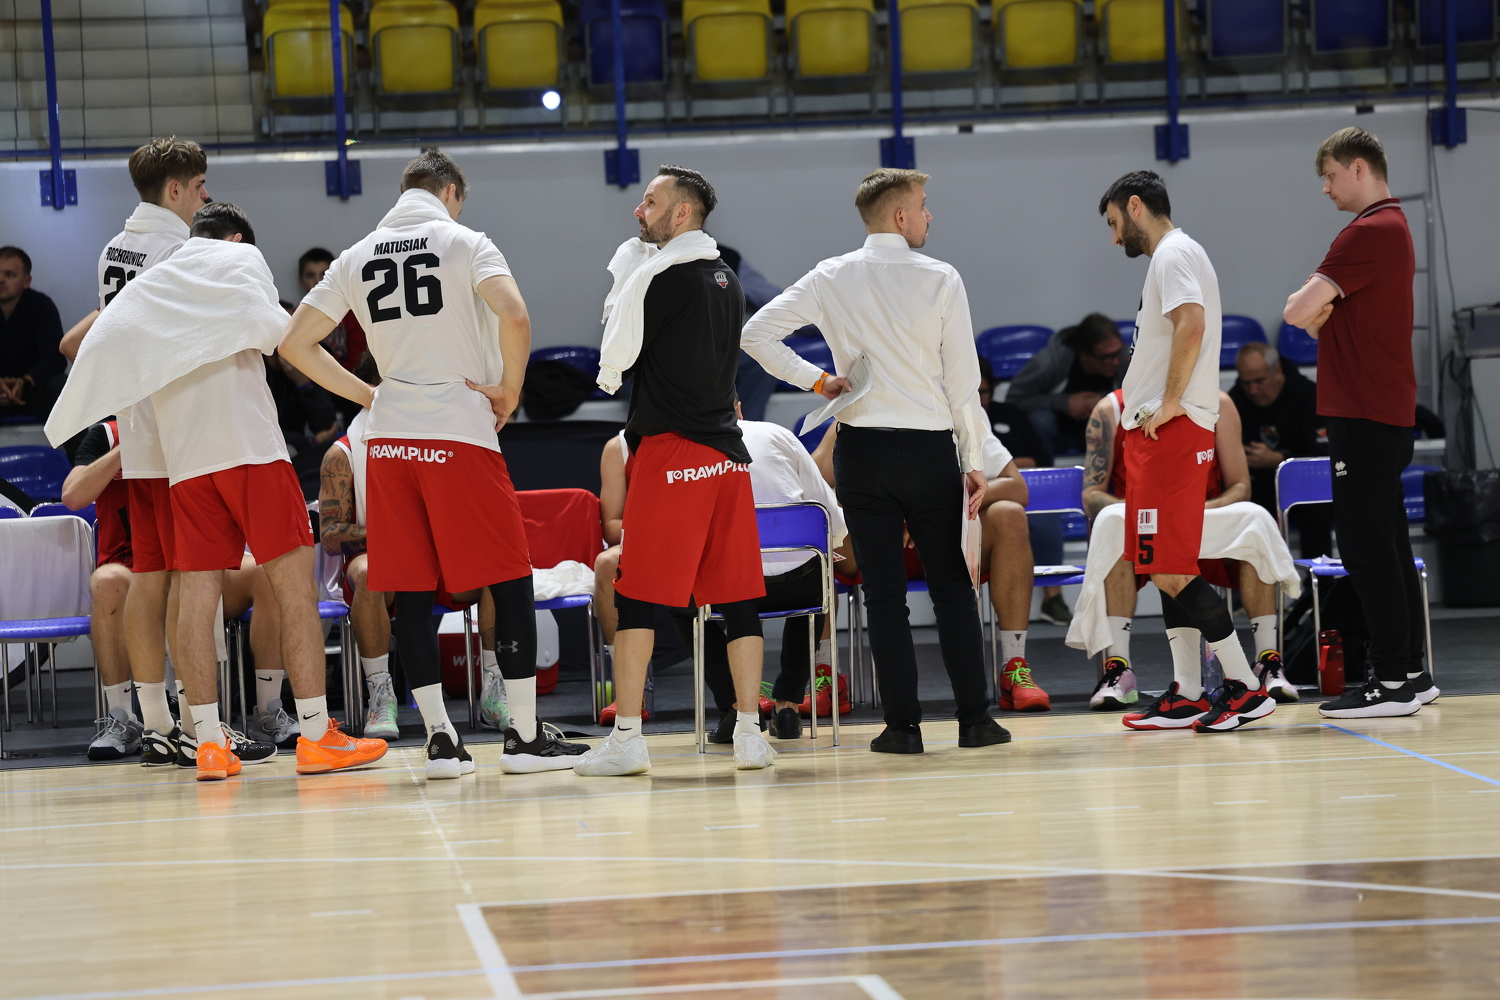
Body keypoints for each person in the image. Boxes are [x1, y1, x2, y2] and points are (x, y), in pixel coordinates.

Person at [283, 150, 586, 777]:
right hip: (459, 432)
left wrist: (367, 395)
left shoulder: (356, 255)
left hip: (391, 440)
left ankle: (441, 742)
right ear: (451, 192)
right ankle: (524, 737)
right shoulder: (466, 241)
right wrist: (510, 390)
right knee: (510, 578)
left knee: (412, 589)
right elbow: (515, 314)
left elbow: (293, 343)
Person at [741, 167, 1010, 755]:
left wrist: (818, 382)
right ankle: (974, 722)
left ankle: (902, 729)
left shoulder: (830, 275)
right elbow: (963, 383)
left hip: (862, 450)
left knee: (884, 595)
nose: (929, 214)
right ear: (899, 215)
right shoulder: (942, 277)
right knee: (952, 589)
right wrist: (973, 459)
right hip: (930, 448)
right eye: (923, 205)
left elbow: (755, 334)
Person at [141, 203, 387, 780]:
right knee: (294, 589)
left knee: (195, 597)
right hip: (250, 450)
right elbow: (295, 347)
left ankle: (208, 744)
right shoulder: (239, 264)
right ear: (235, 241)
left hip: (186, 459)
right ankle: (317, 735)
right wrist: (369, 396)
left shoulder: (153, 284)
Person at [573, 165, 778, 777]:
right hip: (727, 458)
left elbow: (621, 353)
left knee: (636, 596)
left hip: (672, 454)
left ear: (681, 212)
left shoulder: (660, 279)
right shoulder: (726, 278)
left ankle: (628, 740)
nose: (638, 212)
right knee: (737, 599)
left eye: (650, 202)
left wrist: (628, 277)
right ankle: (750, 735)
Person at [1097, 169, 1273, 734]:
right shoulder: (1178, 255)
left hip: (1171, 434)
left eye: (1114, 223)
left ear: (1135, 206)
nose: (1114, 237)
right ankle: (1190, 693)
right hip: (1164, 433)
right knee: (1165, 564)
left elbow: (1190, 326)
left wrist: (1170, 402)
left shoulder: (1172, 254)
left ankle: (1245, 687)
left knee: (1171, 569)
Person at [1282, 127, 1438, 719]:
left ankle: (1391, 678)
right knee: (1389, 543)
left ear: (1358, 168)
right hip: (1383, 411)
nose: (1325, 188)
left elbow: (1296, 311)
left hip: (1364, 412)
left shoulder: (1367, 232)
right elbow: (1313, 317)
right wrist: (1322, 310)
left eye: (1329, 176)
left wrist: (1317, 307)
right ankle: (1412, 672)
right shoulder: (1392, 227)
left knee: (1367, 548)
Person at [70, 137, 210, 768]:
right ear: (175, 189)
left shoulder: (112, 249)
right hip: (176, 434)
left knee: (151, 577)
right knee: (186, 579)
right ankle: (194, 721)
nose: (204, 196)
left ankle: (155, 725)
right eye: (199, 186)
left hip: (136, 430)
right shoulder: (179, 249)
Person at [1082, 388, 1299, 714]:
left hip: (1204, 513)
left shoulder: (1217, 402)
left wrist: (1193, 511)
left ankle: (1267, 662)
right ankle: (1119, 667)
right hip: (1142, 517)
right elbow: (1092, 495)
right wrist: (1151, 512)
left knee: (1255, 520)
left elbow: (1241, 485)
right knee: (1111, 523)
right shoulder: (1111, 409)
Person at [316, 354, 493, 740]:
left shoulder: (438, 436)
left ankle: (495, 686)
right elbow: (330, 533)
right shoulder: (342, 453)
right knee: (367, 572)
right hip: (378, 559)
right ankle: (381, 693)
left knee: (496, 567)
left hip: (438, 554)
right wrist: (396, 535)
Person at [979, 357, 1072, 628]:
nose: (979, 398)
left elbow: (1040, 459)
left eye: (984, 392)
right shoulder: (955, 419)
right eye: (974, 392)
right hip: (981, 501)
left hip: (1010, 490)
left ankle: (1053, 598)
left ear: (993, 388)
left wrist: (1000, 468)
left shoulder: (1011, 414)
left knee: (1043, 517)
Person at [1229, 342, 1331, 557]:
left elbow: (1321, 458)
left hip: (1303, 485)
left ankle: (1319, 575)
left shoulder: (1308, 395)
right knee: (1239, 502)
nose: (1253, 390)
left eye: (1259, 381)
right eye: (1246, 383)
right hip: (1258, 485)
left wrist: (1278, 460)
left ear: (1277, 371)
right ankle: (1251, 576)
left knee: (1316, 504)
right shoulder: (1235, 399)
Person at [1006, 313, 1126, 459]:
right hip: (1057, 431)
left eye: (1117, 353)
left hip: (1102, 430)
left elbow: (1140, 400)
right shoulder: (1047, 364)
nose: (1115, 362)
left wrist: (1106, 400)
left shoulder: (1127, 359)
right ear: (1084, 355)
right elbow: (1013, 402)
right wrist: (1065, 403)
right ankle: (1043, 467)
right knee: (1041, 420)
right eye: (1106, 357)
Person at [0, 247, 66, 421]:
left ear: (26, 281)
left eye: (9, 275)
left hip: (32, 391)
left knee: (61, 385)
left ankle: (80, 443)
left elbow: (55, 358)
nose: (1, 279)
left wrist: (25, 382)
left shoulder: (41, 306)